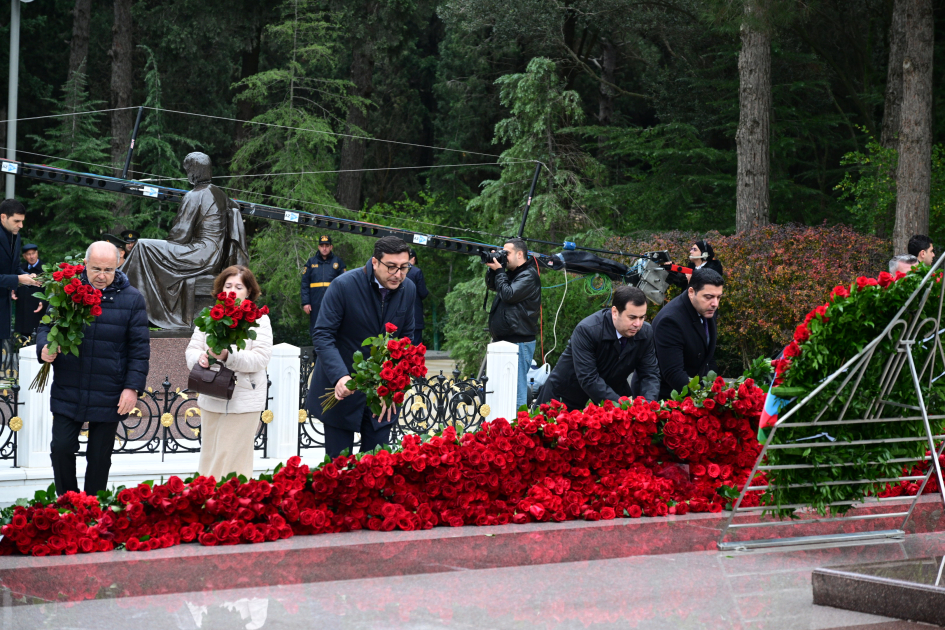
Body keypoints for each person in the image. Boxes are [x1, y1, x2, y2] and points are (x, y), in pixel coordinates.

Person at [38, 241, 150, 496]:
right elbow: (46, 327)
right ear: (85, 264)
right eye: (96, 268)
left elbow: (139, 350)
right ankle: (69, 502)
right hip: (69, 386)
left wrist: (132, 388)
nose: (102, 276)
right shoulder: (67, 292)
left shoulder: (132, 299)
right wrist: (44, 348)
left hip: (108, 390)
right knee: (62, 449)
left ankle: (94, 509)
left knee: (99, 457)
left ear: (119, 265)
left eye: (108, 270)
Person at [305, 236, 416, 458]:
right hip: (341, 390)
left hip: (382, 395)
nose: (398, 274)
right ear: (375, 262)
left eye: (404, 267)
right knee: (338, 468)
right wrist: (340, 377)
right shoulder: (343, 285)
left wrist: (392, 385)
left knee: (376, 467)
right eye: (391, 267)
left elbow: (406, 338)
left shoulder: (409, 289)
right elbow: (323, 334)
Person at [123, 152, 248, 329]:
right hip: (215, 255)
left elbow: (180, 234)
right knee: (147, 248)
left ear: (194, 171)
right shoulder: (220, 193)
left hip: (199, 254)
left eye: (188, 170)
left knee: (143, 246)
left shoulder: (195, 195)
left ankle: (125, 297)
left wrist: (169, 243)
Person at [185, 265, 272, 480]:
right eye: (228, 285)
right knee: (210, 456)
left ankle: (233, 505)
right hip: (212, 394)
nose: (232, 291)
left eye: (239, 286)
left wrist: (227, 356)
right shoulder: (208, 317)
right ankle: (206, 500)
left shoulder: (260, 320)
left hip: (244, 399)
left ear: (249, 291)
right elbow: (193, 349)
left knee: (233, 459)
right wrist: (201, 358)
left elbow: (260, 358)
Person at [538, 285, 660, 410]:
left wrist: (648, 406)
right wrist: (622, 405)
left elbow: (650, 374)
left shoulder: (645, 332)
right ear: (615, 312)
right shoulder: (588, 330)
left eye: (642, 317)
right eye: (632, 317)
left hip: (609, 399)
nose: (638, 324)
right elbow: (589, 378)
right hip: (564, 399)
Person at [485, 237, 541, 409]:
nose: (504, 256)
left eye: (506, 253)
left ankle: (519, 427)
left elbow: (509, 295)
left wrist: (500, 271)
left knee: (516, 390)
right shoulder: (510, 272)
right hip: (503, 340)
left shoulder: (528, 275)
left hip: (519, 341)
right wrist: (493, 268)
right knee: (499, 389)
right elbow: (492, 286)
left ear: (519, 254)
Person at [651, 268, 724, 400]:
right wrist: (706, 396)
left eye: (718, 297)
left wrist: (713, 387)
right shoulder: (670, 321)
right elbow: (674, 374)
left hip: (694, 392)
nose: (715, 304)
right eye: (709, 297)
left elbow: (708, 356)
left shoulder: (706, 308)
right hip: (669, 399)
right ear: (691, 292)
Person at [0, 200, 42, 341]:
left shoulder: (16, 236)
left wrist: (28, 277)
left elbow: (15, 267)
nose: (21, 225)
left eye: (22, 221)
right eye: (17, 221)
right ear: (3, 217)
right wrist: (18, 279)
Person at [301, 235, 345, 343]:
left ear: (331, 247)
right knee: (316, 329)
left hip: (333, 302)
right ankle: (316, 358)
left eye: (327, 245)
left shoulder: (338, 262)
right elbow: (305, 283)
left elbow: (344, 284)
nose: (324, 248)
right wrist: (306, 302)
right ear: (318, 247)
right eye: (322, 245)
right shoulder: (311, 262)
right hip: (315, 303)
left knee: (334, 328)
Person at [13, 243, 45, 338]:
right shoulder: (20, 269)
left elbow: (50, 291)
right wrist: (13, 291)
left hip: (37, 310)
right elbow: (16, 283)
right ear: (24, 256)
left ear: (37, 253)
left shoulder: (45, 269)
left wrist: (43, 302)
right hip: (23, 310)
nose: (31, 256)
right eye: (28, 254)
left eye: (33, 253)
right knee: (23, 339)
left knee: (37, 337)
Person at [406, 249, 429, 346]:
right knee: (415, 347)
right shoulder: (416, 272)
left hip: (398, 316)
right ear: (413, 259)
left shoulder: (394, 270)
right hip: (415, 315)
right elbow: (423, 293)